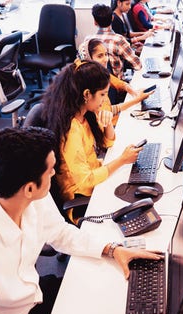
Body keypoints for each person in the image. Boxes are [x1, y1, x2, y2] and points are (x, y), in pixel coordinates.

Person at [0, 126, 161, 314]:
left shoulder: (24, 195)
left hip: (32, 297)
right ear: (30, 188)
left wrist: (112, 249)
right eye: (51, 170)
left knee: (113, 295)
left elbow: (60, 232)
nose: (55, 173)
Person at [40, 60, 142, 223]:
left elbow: (108, 143)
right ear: (87, 94)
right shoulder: (71, 129)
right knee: (136, 206)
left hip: (95, 179)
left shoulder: (85, 114)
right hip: (82, 200)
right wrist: (122, 160)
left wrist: (108, 123)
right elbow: (86, 182)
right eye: (102, 94)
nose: (105, 99)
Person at [78, 38, 153, 126]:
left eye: (106, 54)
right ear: (88, 58)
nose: (105, 59)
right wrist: (137, 99)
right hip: (106, 126)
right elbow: (107, 111)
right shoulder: (88, 81)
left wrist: (134, 92)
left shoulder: (98, 72)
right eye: (100, 56)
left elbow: (119, 83)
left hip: (111, 120)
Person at [84, 3, 142, 79]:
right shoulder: (118, 40)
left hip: (96, 86)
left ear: (95, 22)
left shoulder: (88, 40)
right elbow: (138, 66)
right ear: (112, 18)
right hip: (117, 87)